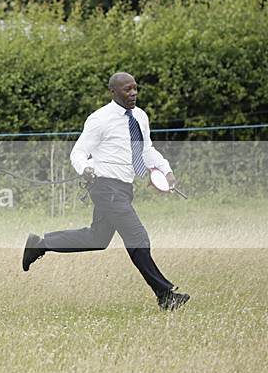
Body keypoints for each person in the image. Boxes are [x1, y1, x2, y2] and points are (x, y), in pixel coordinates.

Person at [22, 72, 190, 311]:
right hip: (104, 186)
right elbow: (78, 152)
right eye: (127, 90)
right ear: (113, 92)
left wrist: (166, 170)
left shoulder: (140, 117)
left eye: (135, 89)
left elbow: (147, 150)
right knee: (137, 238)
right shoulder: (99, 119)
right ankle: (165, 295)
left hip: (123, 187)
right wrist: (86, 168)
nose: (133, 94)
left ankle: (40, 244)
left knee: (97, 239)